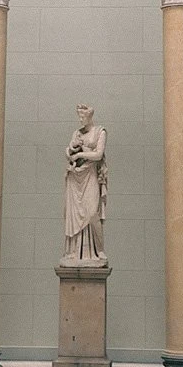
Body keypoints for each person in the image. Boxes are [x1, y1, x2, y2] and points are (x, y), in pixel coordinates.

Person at [63, 104, 107, 264]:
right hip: (76, 176)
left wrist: (80, 153)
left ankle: (99, 250)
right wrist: (71, 148)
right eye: (79, 117)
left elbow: (98, 154)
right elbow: (68, 152)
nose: (80, 120)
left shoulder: (100, 132)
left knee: (91, 213)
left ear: (89, 117)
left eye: (83, 117)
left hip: (91, 175)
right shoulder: (77, 133)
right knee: (74, 215)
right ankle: (75, 252)